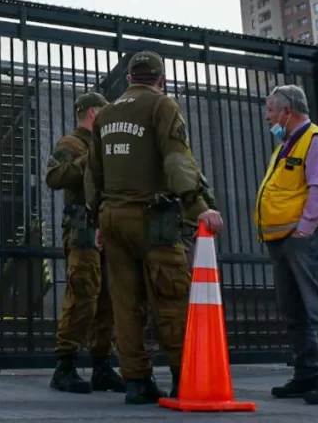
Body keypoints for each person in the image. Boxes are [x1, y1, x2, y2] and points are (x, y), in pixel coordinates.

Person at [85, 51, 224, 405]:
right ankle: (184, 377)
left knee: (125, 303)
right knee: (171, 297)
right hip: (153, 217)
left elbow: (92, 174)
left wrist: (97, 219)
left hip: (113, 217)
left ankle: (136, 382)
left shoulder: (105, 114)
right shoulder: (162, 106)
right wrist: (198, 206)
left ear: (129, 78)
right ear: (161, 80)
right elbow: (177, 159)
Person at [256, 84, 318, 404]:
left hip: (307, 239)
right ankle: (306, 374)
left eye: (270, 109)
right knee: (294, 312)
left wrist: (306, 229)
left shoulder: (316, 140)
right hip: (283, 240)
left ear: (287, 110)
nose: (267, 116)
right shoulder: (286, 144)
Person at [45, 92, 125, 394]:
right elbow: (54, 177)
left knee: (107, 295)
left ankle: (102, 364)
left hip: (107, 225)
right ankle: (65, 365)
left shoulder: (105, 144)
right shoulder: (71, 144)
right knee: (83, 292)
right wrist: (89, 159)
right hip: (82, 228)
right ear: (93, 113)